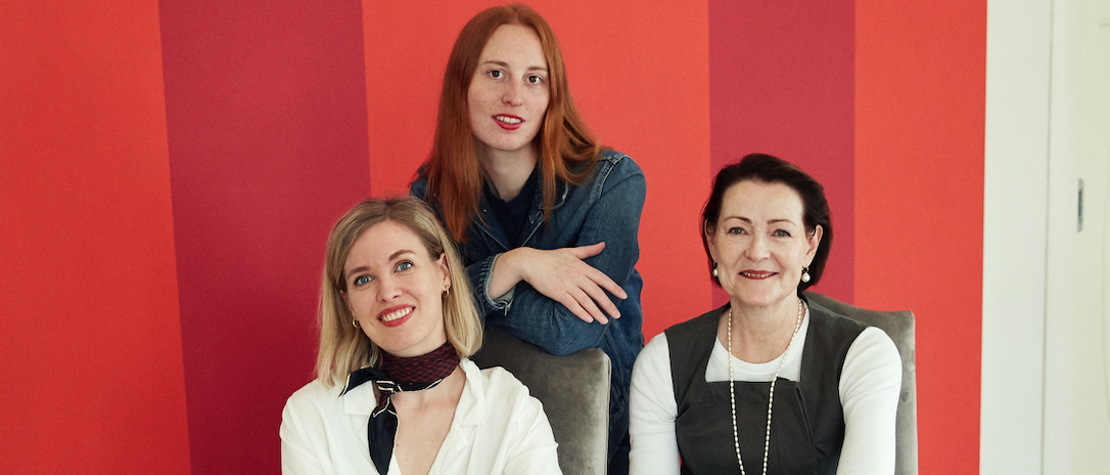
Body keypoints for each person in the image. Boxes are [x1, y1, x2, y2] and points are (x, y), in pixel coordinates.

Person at [409, 4, 646, 470]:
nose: (514, 96)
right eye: (496, 73)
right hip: (482, 441)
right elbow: (423, 321)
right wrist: (514, 264)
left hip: (603, 437)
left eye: (534, 79)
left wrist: (471, 294)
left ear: (552, 95)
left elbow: (569, 331)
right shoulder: (429, 199)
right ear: (462, 85)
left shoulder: (611, 183)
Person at [628, 154, 901, 474]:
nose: (757, 252)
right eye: (737, 230)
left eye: (780, 232)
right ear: (712, 239)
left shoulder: (862, 354)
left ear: (810, 245)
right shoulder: (663, 360)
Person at [280, 197, 562, 475]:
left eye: (404, 265)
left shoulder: (512, 410)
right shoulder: (310, 416)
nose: (387, 292)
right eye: (363, 279)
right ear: (350, 304)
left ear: (443, 273)